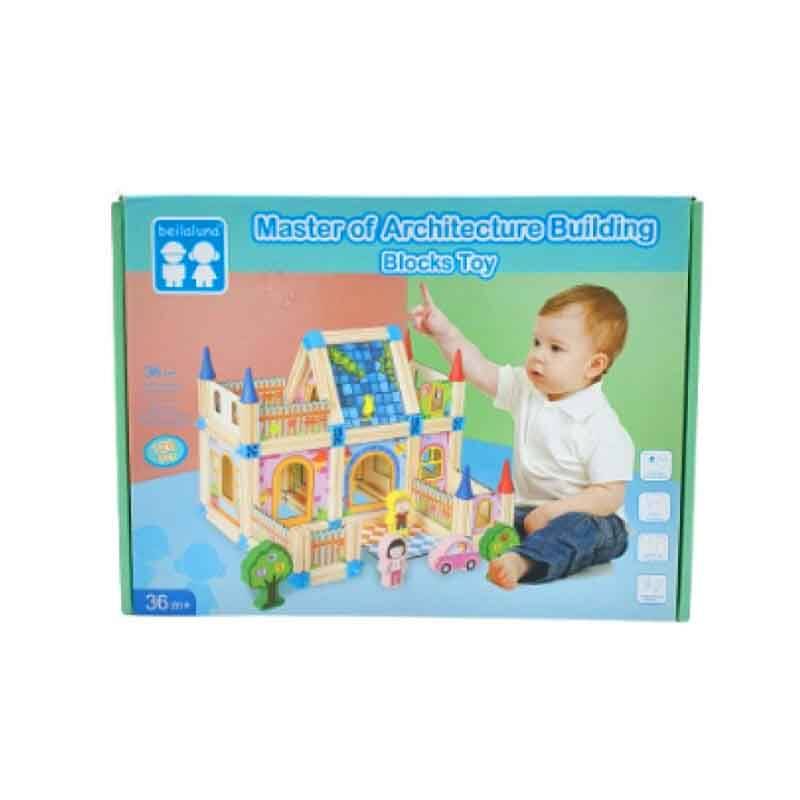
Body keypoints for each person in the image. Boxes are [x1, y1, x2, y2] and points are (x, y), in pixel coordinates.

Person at [410, 282, 634, 589]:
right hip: (528, 510)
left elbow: (609, 496)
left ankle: (523, 561)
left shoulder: (601, 425)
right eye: (537, 342)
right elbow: (479, 369)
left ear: (594, 365)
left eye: (555, 348)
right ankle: (495, 545)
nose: (538, 355)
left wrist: (554, 511)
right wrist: (444, 332)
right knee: (491, 515)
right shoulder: (527, 389)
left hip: (593, 519)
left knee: (577, 529)